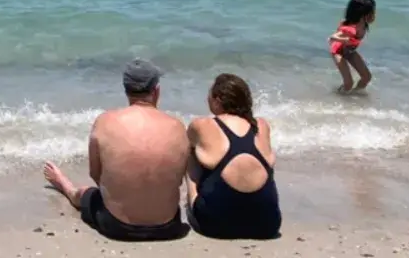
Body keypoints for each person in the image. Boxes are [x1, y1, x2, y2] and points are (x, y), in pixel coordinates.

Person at [43, 59, 190, 242]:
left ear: (126, 90)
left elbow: (95, 174)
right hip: (168, 227)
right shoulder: (177, 127)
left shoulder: (105, 122)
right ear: (156, 91)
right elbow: (180, 177)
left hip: (118, 227)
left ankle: (67, 187)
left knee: (86, 194)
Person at [187, 73, 282, 240]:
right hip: (267, 224)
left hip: (215, 223)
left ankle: (192, 199)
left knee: (190, 151)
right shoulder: (261, 125)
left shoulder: (202, 125)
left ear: (217, 100)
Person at [329, 0, 376, 93]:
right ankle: (338, 97)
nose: (374, 15)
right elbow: (333, 37)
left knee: (366, 77)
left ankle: (355, 95)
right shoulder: (352, 28)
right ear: (363, 14)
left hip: (350, 51)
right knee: (348, 83)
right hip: (338, 51)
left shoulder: (363, 25)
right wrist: (344, 40)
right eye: (372, 13)